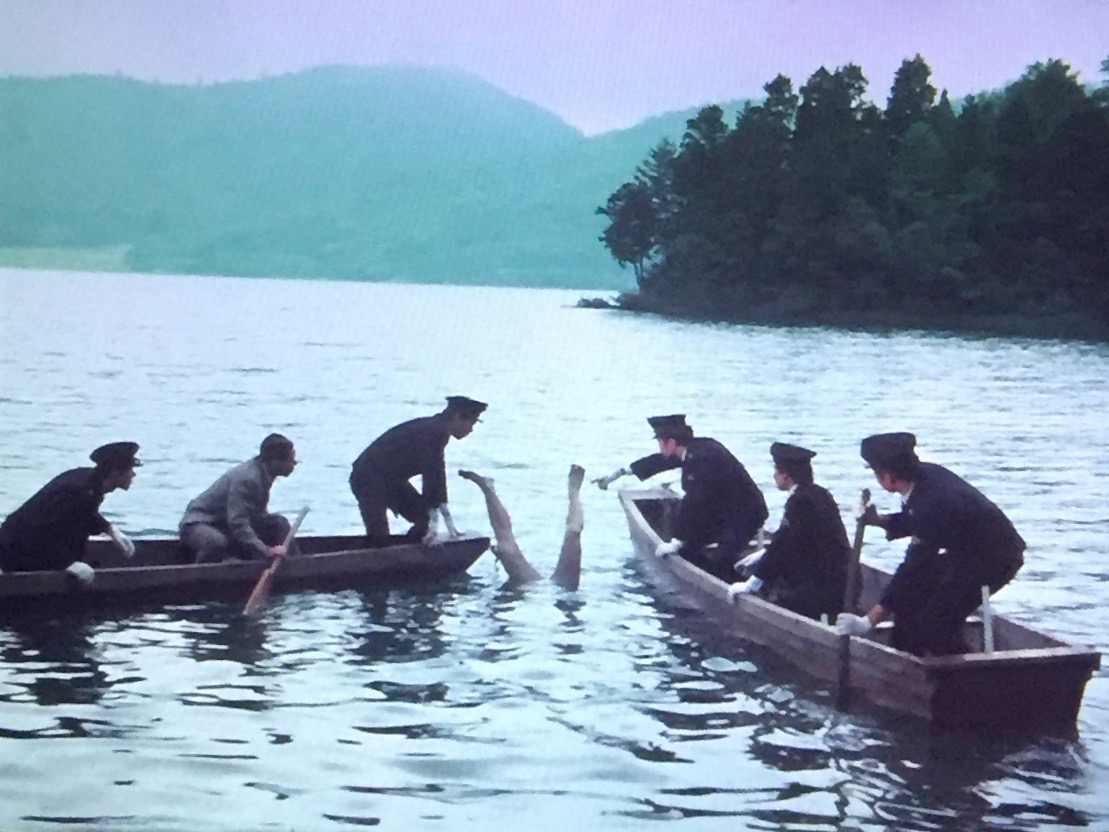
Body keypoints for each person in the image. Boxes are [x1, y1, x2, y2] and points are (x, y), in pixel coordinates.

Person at [836, 432, 1026, 656]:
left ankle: (960, 672)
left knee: (935, 625)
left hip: (995, 560)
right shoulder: (925, 477)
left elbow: (914, 565)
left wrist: (868, 621)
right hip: (966, 551)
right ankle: (906, 655)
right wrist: (879, 520)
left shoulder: (933, 503)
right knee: (910, 602)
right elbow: (917, 520)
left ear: (888, 477)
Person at [594, 414, 768, 580]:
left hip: (746, 516)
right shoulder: (699, 447)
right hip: (726, 511)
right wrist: (618, 473)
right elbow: (660, 462)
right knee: (690, 550)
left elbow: (694, 501)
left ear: (671, 442)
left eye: (660, 442)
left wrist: (677, 540)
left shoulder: (700, 458)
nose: (660, 447)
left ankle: (745, 586)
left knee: (720, 562)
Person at [728, 442, 852, 621]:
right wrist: (765, 553)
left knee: (774, 598)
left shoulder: (799, 502)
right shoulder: (821, 494)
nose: (774, 476)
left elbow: (783, 546)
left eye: (776, 471)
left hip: (822, 589)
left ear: (785, 475)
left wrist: (753, 583)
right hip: (843, 581)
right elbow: (795, 537)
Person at [350, 396, 486, 546]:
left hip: (391, 481)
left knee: (424, 519)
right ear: (457, 417)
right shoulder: (435, 431)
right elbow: (434, 472)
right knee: (379, 536)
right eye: (471, 423)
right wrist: (438, 503)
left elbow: (435, 471)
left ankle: (410, 550)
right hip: (367, 479)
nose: (471, 429)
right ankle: (385, 556)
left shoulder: (436, 429)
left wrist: (437, 504)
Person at [0, 442, 140, 584]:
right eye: (130, 469)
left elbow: (81, 514)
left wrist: (109, 529)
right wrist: (66, 563)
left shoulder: (88, 481)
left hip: (21, 544)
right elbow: (46, 527)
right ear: (116, 472)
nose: (134, 474)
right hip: (16, 550)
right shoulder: (76, 491)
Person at [459, 465, 585, 590]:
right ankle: (488, 489)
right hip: (549, 587)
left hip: (539, 586)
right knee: (573, 536)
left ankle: (574, 491)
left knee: (506, 547)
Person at [179, 433, 299, 564]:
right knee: (216, 543)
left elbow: (256, 516)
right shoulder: (248, 479)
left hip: (224, 523)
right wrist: (265, 551)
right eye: (291, 460)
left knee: (279, 524)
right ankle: (200, 577)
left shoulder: (264, 473)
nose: (294, 464)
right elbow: (238, 522)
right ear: (275, 461)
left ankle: (296, 565)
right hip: (199, 523)